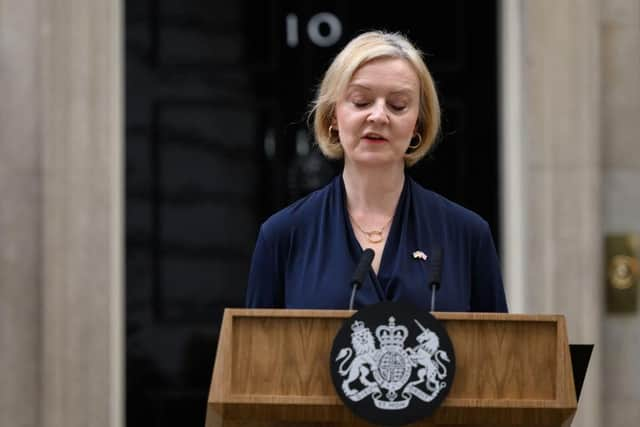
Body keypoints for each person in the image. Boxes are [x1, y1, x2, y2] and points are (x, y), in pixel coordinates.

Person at [245, 31, 507, 312]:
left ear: (418, 124)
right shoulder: (283, 234)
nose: (379, 116)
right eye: (361, 101)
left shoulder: (467, 234)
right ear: (334, 115)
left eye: (398, 105)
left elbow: (498, 350)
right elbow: (255, 351)